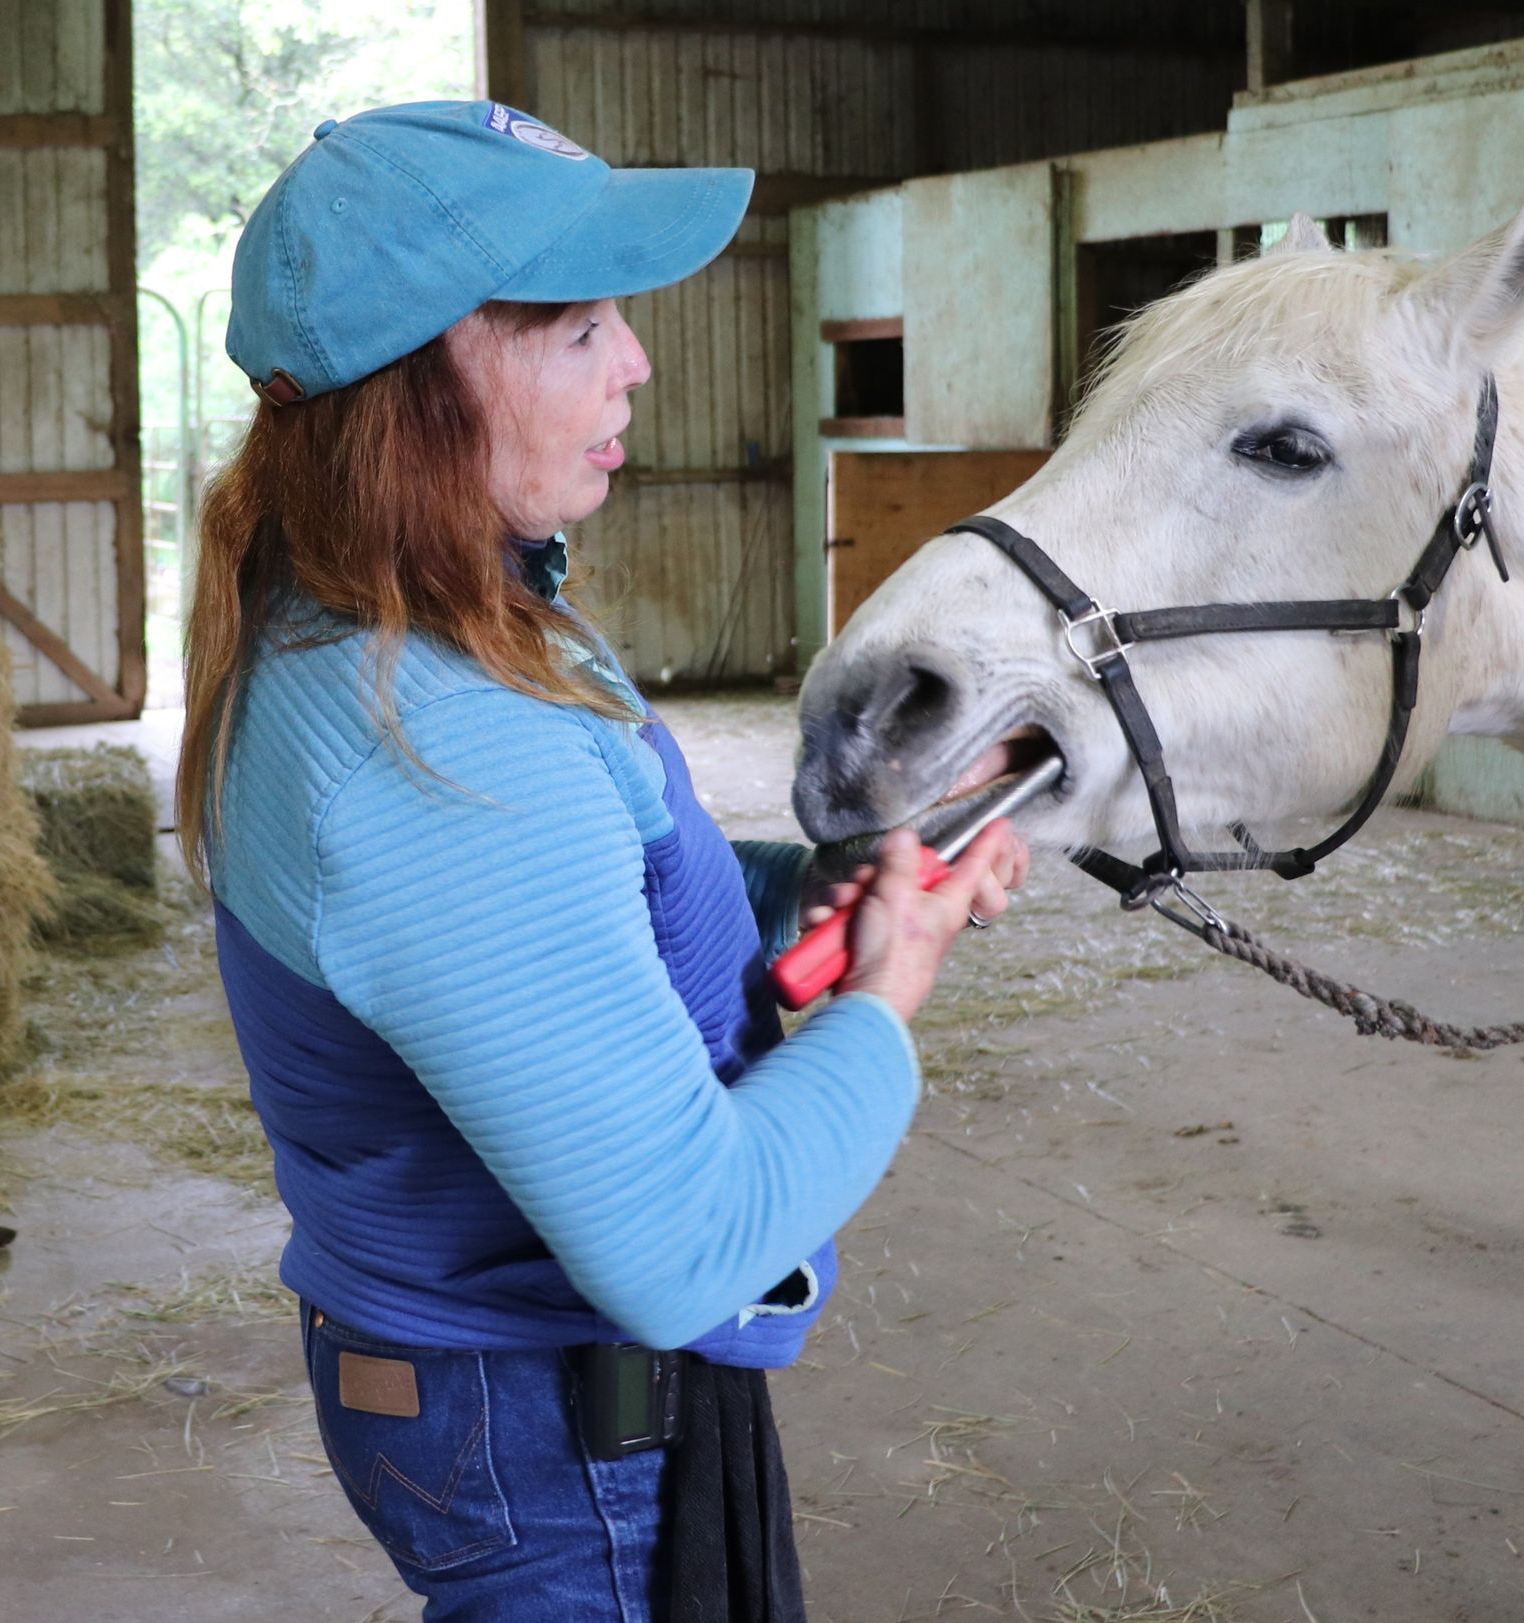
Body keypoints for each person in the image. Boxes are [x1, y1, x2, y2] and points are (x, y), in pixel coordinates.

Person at [176, 100, 1028, 1621]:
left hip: (464, 1381)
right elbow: (685, 1249)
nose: (636, 360)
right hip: (540, 1426)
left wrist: (784, 897)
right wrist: (883, 1004)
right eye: (576, 328)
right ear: (418, 388)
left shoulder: (408, 616)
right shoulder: (433, 749)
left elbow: (581, 898)